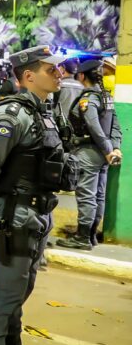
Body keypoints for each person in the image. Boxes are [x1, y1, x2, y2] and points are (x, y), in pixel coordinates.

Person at [0, 45, 72, 345]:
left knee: (22, 286)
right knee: (7, 288)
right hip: (15, 214)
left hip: (38, 213)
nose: (59, 74)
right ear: (28, 75)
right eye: (51, 69)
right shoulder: (11, 114)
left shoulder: (43, 112)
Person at [57, 59, 122, 250]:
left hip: (88, 152)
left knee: (86, 195)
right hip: (103, 155)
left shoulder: (89, 99)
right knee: (98, 195)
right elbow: (115, 126)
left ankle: (82, 237)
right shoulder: (106, 97)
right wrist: (114, 148)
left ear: (82, 75)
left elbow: (94, 127)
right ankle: (91, 234)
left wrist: (108, 149)